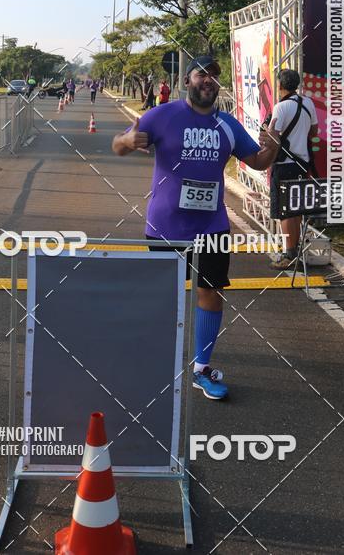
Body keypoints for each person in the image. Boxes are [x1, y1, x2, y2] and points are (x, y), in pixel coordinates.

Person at [112, 55, 280, 400]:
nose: (208, 80)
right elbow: (118, 146)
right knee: (164, 297)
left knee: (211, 292)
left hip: (212, 228)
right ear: (187, 80)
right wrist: (127, 142)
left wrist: (273, 146)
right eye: (201, 73)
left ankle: (201, 369)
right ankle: (156, 363)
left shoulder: (228, 125)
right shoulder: (163, 115)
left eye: (214, 76)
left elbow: (258, 160)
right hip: (165, 226)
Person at [268, 69, 318, 269]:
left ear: (280, 85)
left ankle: (289, 255)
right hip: (302, 163)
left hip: (284, 165)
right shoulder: (308, 103)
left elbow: (272, 137)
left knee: (285, 211)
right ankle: (294, 250)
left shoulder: (280, 107)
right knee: (296, 209)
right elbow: (314, 132)